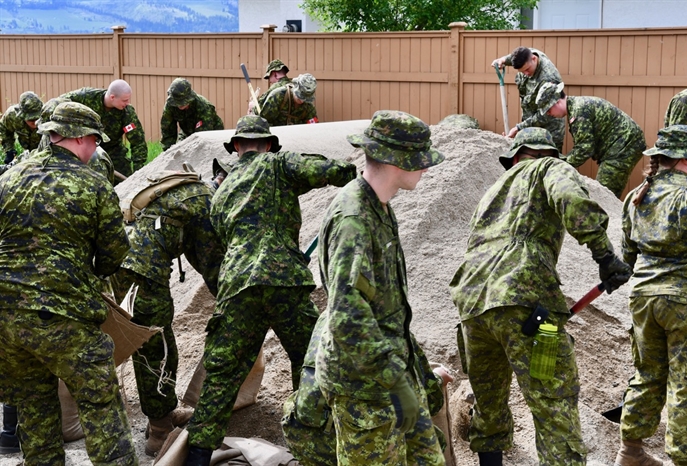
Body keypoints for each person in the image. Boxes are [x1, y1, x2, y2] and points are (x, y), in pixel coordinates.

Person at [449, 127, 632, 466]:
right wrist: (606, 258)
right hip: (529, 306)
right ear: (546, 152)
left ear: (515, 157)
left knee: (489, 404)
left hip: (473, 307)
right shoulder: (550, 167)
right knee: (554, 402)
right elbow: (573, 202)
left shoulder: (492, 192)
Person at [184, 115, 356, 465]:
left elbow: (214, 249)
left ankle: (198, 457)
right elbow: (321, 170)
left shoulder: (221, 194)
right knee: (312, 363)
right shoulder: (277, 164)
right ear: (267, 144)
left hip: (237, 290)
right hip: (284, 284)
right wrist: (354, 173)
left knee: (223, 375)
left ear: (236, 148)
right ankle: (315, 446)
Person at [0, 101, 137, 465]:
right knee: (100, 404)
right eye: (95, 141)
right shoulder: (93, 184)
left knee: (34, 408)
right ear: (80, 138)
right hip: (63, 315)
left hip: (6, 318)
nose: (95, 149)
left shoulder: (8, 179)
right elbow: (112, 256)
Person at [314, 110, 446, 466]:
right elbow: (346, 315)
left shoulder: (380, 207)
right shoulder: (354, 219)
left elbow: (388, 306)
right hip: (363, 386)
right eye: (419, 160)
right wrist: (393, 379)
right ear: (396, 160)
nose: (426, 168)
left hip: (392, 371)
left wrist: (409, 371)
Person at [111, 160, 227, 457]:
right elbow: (210, 261)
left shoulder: (177, 191)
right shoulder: (204, 200)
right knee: (158, 347)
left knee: (150, 342)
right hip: (143, 272)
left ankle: (160, 415)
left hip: (120, 262)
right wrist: (229, 300)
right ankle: (160, 429)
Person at [615, 125, 687, 466]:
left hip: (643, 299)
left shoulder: (636, 196)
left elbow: (629, 255)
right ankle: (683, 461)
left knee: (646, 375)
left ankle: (630, 452)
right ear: (685, 158)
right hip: (686, 300)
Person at [282, 311, 453, 466]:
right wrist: (438, 378)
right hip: (349, 450)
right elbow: (431, 402)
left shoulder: (327, 317)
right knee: (431, 439)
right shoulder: (392, 331)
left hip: (302, 438)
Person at [536, 81, 646, 198]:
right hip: (621, 145)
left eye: (548, 109)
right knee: (604, 193)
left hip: (624, 147)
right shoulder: (576, 106)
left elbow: (585, 148)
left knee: (604, 195)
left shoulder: (578, 113)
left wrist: (561, 164)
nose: (548, 114)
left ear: (556, 102)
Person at [61, 79, 148, 178]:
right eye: (124, 100)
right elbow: (57, 103)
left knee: (124, 182)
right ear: (112, 97)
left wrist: (138, 171)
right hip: (83, 148)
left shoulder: (126, 113)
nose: (127, 103)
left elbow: (138, 142)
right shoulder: (86, 97)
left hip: (113, 151)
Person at [491, 46, 566, 151]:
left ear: (534, 59)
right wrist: (503, 60)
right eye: (522, 72)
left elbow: (544, 115)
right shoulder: (530, 55)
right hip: (531, 123)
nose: (526, 74)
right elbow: (517, 55)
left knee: (546, 162)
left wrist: (519, 128)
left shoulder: (549, 78)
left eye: (527, 69)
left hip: (549, 129)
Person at [160, 78, 224, 151]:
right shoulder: (170, 106)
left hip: (211, 132)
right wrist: (168, 152)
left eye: (182, 101)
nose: (180, 105)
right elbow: (168, 132)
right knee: (180, 151)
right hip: (187, 131)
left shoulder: (203, 106)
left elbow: (204, 136)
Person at [0, 91, 43, 164]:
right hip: (28, 152)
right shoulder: (12, 116)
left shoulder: (48, 116)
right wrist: (9, 150)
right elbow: (4, 129)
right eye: (31, 119)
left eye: (37, 118)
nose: (35, 122)